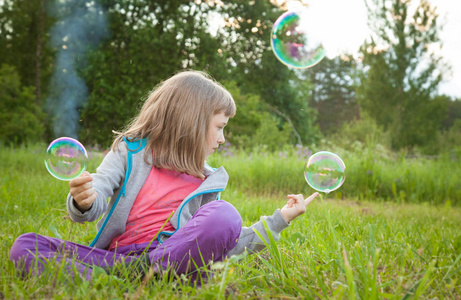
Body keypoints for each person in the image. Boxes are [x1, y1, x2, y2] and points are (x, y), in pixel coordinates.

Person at [10, 70, 319, 284]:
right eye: (220, 126)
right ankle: (124, 280)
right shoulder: (129, 153)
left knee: (225, 215)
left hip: (175, 262)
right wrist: (83, 200)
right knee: (25, 246)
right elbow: (97, 194)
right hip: (118, 261)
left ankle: (143, 276)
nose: (223, 139)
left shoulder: (206, 183)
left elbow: (229, 243)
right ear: (193, 122)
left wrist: (281, 218)